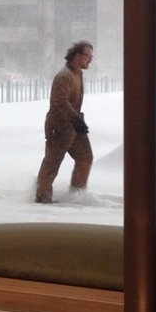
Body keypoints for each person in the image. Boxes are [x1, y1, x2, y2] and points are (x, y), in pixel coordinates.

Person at [35, 40, 94, 203]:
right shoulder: (64, 76)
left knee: (85, 158)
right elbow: (59, 102)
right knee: (52, 162)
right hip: (59, 126)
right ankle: (42, 197)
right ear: (78, 56)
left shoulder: (77, 73)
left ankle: (77, 196)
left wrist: (78, 122)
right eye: (88, 56)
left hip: (75, 125)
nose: (90, 60)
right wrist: (76, 120)